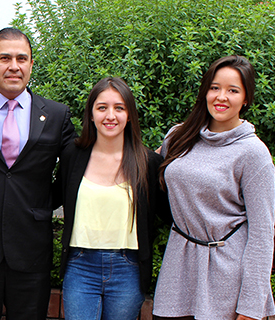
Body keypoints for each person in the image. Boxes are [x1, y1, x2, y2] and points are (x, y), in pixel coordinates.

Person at [0, 27, 76, 320]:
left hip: (31, 250)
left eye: (21, 58)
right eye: (5, 58)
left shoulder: (56, 115)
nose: (14, 66)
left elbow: (71, 171)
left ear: (31, 64)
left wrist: (42, 204)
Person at [152, 55, 275, 320]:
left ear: (246, 98)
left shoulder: (254, 154)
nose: (221, 97)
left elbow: (262, 235)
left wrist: (251, 308)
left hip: (226, 273)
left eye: (233, 90)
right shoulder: (179, 136)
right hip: (178, 264)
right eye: (215, 87)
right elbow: (147, 174)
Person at [56, 77, 171, 320]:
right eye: (102, 107)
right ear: (90, 114)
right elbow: (50, 197)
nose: (110, 115)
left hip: (127, 268)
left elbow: (171, 214)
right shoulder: (72, 155)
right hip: (80, 266)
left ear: (129, 115)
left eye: (119, 108)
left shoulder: (148, 162)